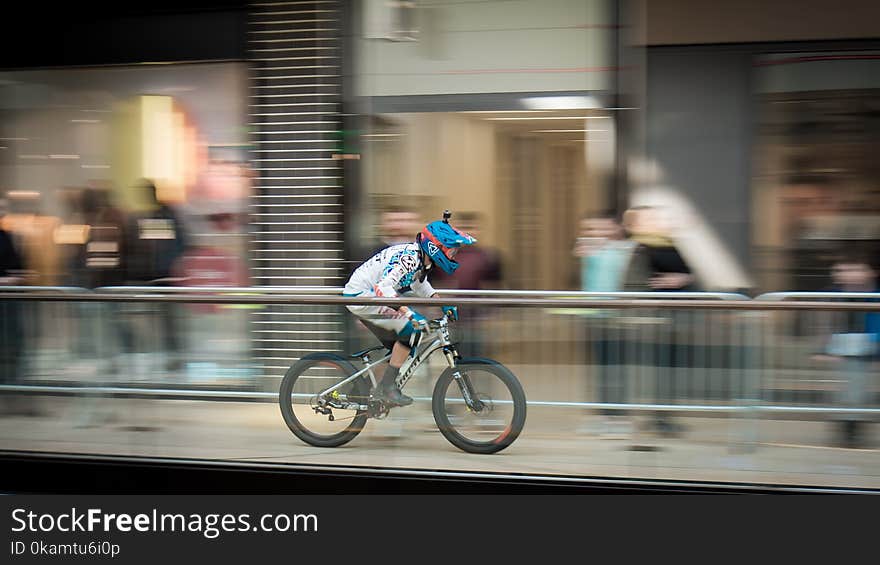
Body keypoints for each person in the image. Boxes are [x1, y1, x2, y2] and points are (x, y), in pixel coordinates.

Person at [343, 212, 475, 406]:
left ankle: (362, 390)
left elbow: (420, 286)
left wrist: (442, 303)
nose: (453, 255)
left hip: (368, 296)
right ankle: (387, 389)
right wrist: (409, 313)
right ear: (435, 247)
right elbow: (383, 288)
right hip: (361, 296)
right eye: (451, 251)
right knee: (410, 331)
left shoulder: (421, 260)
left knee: (399, 348)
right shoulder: (410, 258)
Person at [623, 205, 697, 438]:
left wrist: (682, 278)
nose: (656, 220)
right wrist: (671, 281)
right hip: (657, 320)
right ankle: (659, 418)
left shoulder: (667, 243)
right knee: (660, 372)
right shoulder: (641, 248)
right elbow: (637, 282)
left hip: (673, 318)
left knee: (669, 372)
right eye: (649, 218)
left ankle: (664, 415)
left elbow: (689, 274)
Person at [573, 211, 644, 437]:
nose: (597, 233)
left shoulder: (625, 249)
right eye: (592, 229)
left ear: (615, 228)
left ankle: (620, 416)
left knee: (617, 369)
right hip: (595, 318)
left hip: (618, 319)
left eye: (602, 228)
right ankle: (603, 415)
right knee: (600, 369)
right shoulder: (589, 251)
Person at [812, 250, 880, 449]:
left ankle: (852, 423)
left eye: (854, 269)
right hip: (847, 349)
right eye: (840, 270)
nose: (846, 274)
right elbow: (824, 325)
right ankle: (849, 423)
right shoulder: (833, 294)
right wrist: (822, 349)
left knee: (855, 389)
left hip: (866, 347)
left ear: (872, 272)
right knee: (848, 389)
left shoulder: (875, 293)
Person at [430, 211, 502, 357]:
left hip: (476, 323)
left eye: (472, 227)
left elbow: (496, 289)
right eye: (463, 228)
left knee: (479, 360)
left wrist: (490, 317)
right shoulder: (443, 257)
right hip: (450, 321)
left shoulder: (488, 258)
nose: (468, 232)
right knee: (453, 361)